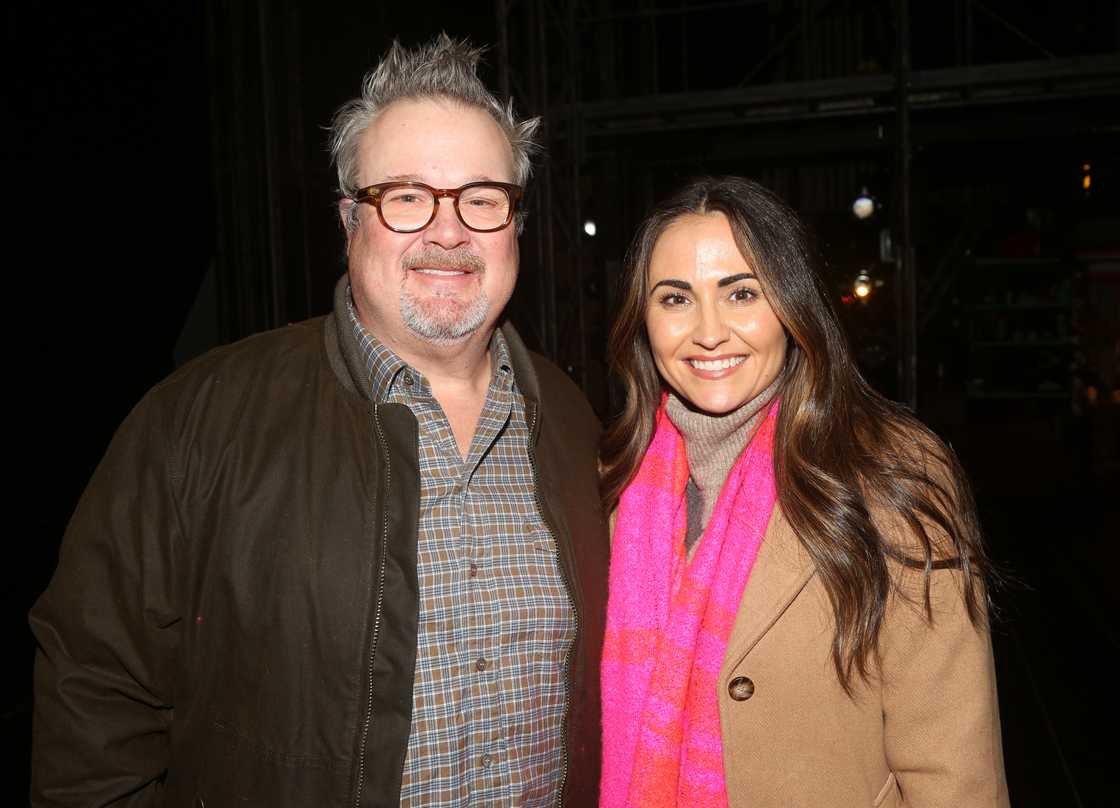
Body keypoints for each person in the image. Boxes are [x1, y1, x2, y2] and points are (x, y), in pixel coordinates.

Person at [30, 34, 608, 807]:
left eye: (481, 197)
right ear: (348, 221)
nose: (447, 230)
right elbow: (91, 702)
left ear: (516, 226)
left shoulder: (572, 424)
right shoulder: (199, 420)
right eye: (405, 196)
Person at [598, 176, 1007, 807]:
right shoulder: (617, 484)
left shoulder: (891, 474)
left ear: (793, 305)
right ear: (642, 320)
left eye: (741, 294)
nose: (709, 332)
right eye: (675, 299)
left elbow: (952, 767)